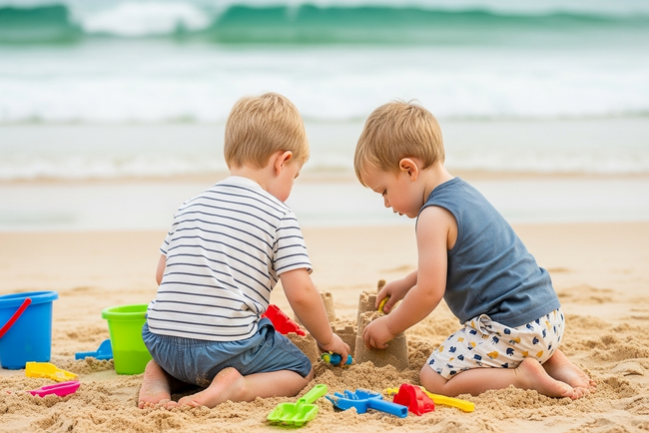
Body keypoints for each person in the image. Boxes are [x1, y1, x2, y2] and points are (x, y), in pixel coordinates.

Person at [354, 101, 595, 400]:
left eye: (384, 191)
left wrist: (389, 326)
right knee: (525, 339)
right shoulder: (463, 192)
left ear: (408, 169)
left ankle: (521, 376)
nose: (387, 204)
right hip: (548, 318)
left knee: (433, 377)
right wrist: (407, 282)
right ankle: (553, 359)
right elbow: (463, 259)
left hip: (514, 328)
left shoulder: (432, 216)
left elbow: (430, 292)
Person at [138, 93, 350, 409]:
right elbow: (302, 293)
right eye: (295, 175)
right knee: (298, 368)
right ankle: (235, 387)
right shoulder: (279, 215)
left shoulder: (189, 206)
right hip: (224, 347)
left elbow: (162, 276)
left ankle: (158, 374)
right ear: (282, 162)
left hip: (160, 341)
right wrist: (327, 339)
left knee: (182, 356)